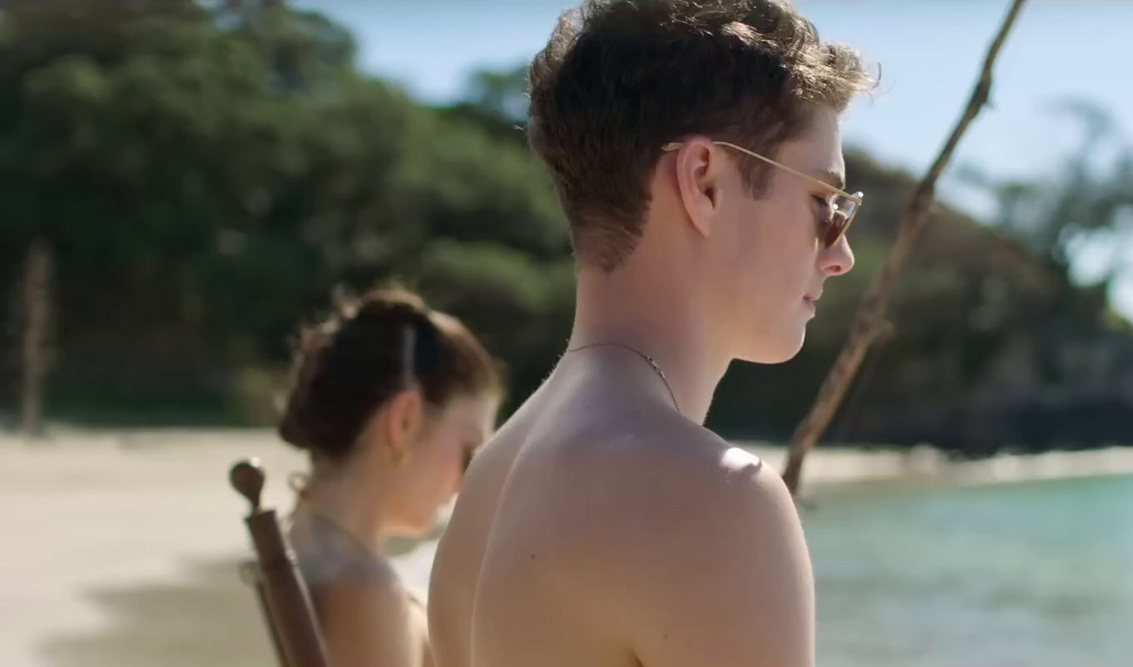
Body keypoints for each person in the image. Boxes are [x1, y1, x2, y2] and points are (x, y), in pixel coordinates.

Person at [427, 1, 873, 666]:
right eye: (825, 205)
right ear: (705, 183)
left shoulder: (491, 480)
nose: (841, 256)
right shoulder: (715, 499)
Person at [278, 287, 502, 667]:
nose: (467, 484)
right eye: (469, 453)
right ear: (404, 421)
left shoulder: (307, 543)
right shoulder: (364, 592)